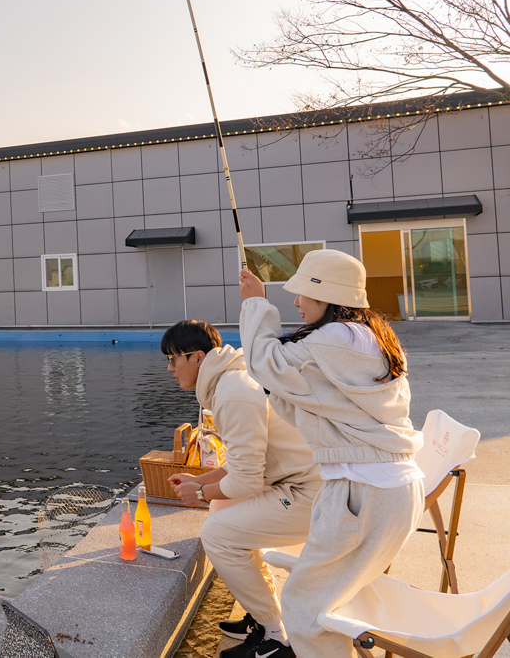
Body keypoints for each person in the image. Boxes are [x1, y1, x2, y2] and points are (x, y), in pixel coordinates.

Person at [238, 249, 424, 658]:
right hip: (379, 489)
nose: (296, 301)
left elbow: (265, 363)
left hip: (366, 492)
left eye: (304, 292)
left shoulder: (337, 338)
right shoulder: (367, 334)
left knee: (306, 609)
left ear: (329, 295)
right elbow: (304, 394)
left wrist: (255, 301)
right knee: (321, 606)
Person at [162, 320, 322, 658]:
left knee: (218, 533)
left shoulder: (233, 393)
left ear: (198, 358)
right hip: (299, 484)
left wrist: (202, 494)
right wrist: (199, 481)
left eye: (174, 359)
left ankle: (279, 637)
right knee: (225, 513)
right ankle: (263, 615)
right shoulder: (231, 381)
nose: (170, 368)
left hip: (311, 496)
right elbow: (243, 463)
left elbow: (247, 480)